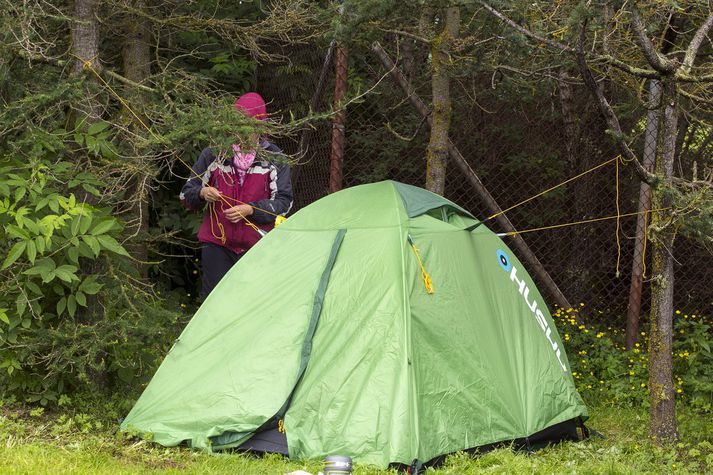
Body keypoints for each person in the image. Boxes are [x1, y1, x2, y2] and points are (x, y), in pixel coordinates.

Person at [180, 92, 293, 299]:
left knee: (251, 304)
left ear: (260, 127)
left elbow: (284, 203)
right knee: (214, 303)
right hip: (217, 245)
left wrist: (251, 209)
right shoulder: (214, 153)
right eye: (236, 125)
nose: (240, 132)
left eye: (247, 126)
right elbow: (186, 194)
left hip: (258, 246)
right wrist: (202, 193)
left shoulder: (275, 158)